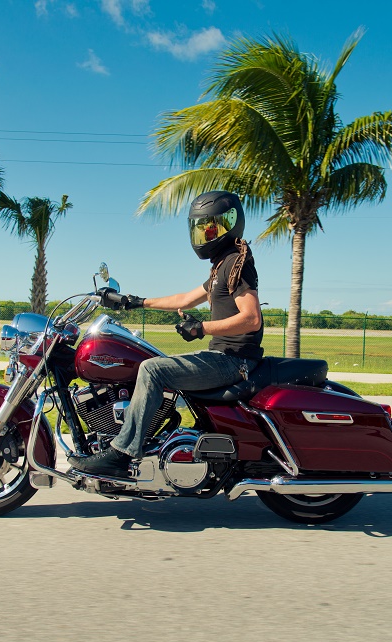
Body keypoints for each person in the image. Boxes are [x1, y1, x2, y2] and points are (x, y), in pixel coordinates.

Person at [70, 190, 264, 478]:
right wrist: (134, 302)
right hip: (223, 357)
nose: (205, 234)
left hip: (234, 362)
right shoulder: (221, 266)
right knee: (150, 362)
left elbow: (251, 319)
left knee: (151, 370)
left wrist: (202, 328)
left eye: (210, 227)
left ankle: (123, 453)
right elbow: (185, 299)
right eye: (201, 228)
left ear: (228, 223)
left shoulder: (238, 262)